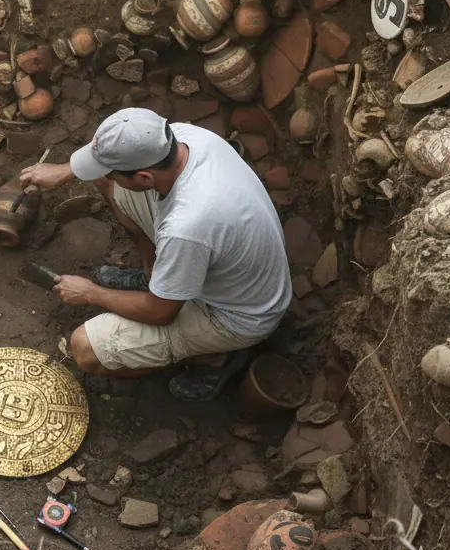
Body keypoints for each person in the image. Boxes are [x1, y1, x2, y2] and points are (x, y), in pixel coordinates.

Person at [19, 107, 291, 401]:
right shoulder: (184, 138)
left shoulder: (187, 226)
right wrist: (65, 171)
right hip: (229, 266)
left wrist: (90, 293)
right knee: (112, 185)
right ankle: (155, 278)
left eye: (114, 169)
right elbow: (117, 150)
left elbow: (161, 313)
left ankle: (216, 358)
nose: (106, 175)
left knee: (85, 348)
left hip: (235, 314)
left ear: (145, 178)